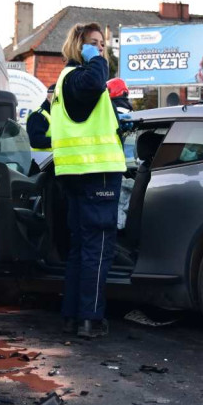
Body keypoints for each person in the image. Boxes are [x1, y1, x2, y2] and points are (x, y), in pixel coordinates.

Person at [52, 23, 125, 339]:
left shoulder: (65, 81)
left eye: (102, 45)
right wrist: (96, 59)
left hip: (76, 174)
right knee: (98, 248)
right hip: (98, 173)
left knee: (82, 248)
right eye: (93, 44)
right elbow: (94, 81)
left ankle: (72, 316)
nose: (100, 49)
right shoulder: (82, 77)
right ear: (78, 46)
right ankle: (90, 319)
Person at [26, 83, 53, 152]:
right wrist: (59, 141)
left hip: (53, 160)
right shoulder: (38, 115)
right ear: (49, 97)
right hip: (42, 161)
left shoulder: (55, 114)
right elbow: (35, 141)